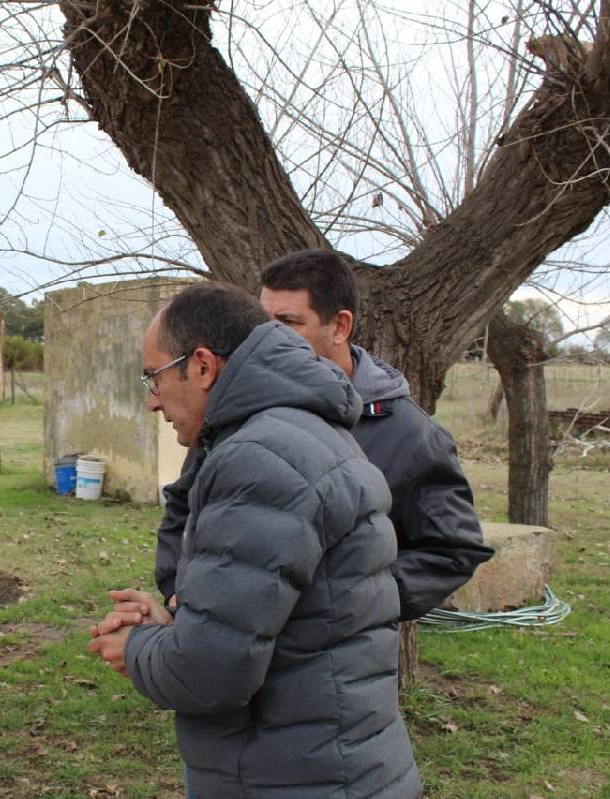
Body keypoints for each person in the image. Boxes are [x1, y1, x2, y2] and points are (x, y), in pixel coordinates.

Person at [88, 283, 421, 798]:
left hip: (296, 779)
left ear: (202, 366)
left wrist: (134, 646)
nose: (152, 401)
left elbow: (209, 674)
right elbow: (286, 619)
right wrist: (177, 624)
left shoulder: (260, 457)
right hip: (331, 767)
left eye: (154, 377)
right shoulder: (300, 432)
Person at [155, 250, 493, 620]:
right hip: (230, 641)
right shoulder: (235, 410)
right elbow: (184, 507)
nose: (268, 338)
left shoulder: (411, 435)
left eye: (287, 321)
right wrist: (178, 589)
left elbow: (452, 552)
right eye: (262, 324)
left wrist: (343, 603)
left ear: (340, 327)